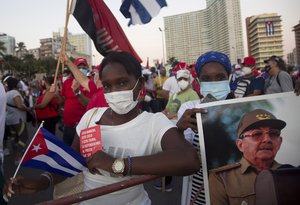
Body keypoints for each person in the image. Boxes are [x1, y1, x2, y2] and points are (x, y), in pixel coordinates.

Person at [3, 51, 201, 205]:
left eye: (122, 82)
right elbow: (71, 162)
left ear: (139, 84)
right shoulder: (91, 116)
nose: (114, 91)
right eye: (107, 86)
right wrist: (41, 182)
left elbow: (188, 159)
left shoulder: (154, 122)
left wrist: (118, 164)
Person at [177, 51, 234, 205]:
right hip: (200, 187)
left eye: (220, 77)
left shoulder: (241, 107)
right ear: (198, 81)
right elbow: (181, 154)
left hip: (236, 189)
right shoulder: (189, 108)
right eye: (206, 78)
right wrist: (179, 130)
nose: (213, 82)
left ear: (229, 77)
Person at [209, 109, 286, 205]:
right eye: (257, 134)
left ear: (280, 142)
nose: (267, 139)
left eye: (274, 133)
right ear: (241, 145)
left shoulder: (290, 174)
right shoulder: (221, 178)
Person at [3, 76, 30, 164]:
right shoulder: (15, 93)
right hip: (18, 119)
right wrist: (28, 109)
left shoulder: (6, 93)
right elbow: (19, 106)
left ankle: (16, 154)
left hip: (10, 120)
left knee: (14, 138)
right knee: (23, 137)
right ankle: (17, 156)